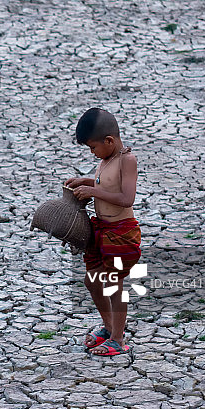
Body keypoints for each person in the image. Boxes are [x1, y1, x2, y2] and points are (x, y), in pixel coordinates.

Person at [64, 108, 141, 356]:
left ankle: (118, 340)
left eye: (93, 147)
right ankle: (109, 328)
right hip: (103, 231)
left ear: (109, 141)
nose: (92, 152)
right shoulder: (104, 160)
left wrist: (93, 192)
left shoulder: (127, 160)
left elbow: (126, 198)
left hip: (121, 234)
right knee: (92, 280)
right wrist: (85, 182)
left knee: (113, 284)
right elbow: (103, 184)